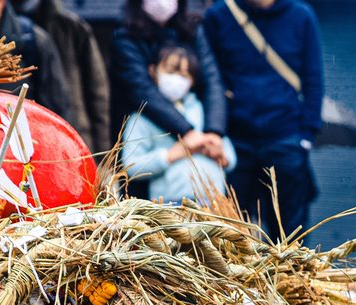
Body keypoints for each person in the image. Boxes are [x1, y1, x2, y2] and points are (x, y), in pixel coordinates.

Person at [202, 0, 323, 239]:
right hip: (235, 141)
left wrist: (306, 135)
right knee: (232, 232)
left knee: (291, 233)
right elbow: (210, 78)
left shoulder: (301, 15)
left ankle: (293, 277)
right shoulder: (220, 15)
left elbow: (314, 78)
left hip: (286, 137)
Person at [112, 0, 229, 183]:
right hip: (153, 148)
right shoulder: (125, 36)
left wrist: (214, 132)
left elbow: (212, 81)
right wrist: (187, 133)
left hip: (201, 174)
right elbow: (142, 90)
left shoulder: (192, 30)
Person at [121, 45, 236, 204]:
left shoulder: (204, 109)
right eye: (170, 72)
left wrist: (221, 155)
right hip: (170, 203)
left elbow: (230, 155)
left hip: (215, 202)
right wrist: (170, 155)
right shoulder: (142, 117)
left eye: (183, 75)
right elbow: (131, 166)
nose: (176, 80)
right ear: (153, 71)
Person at [16, 0, 112, 153]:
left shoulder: (71, 28)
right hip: (21, 144)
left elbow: (97, 95)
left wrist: (102, 157)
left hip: (74, 137)